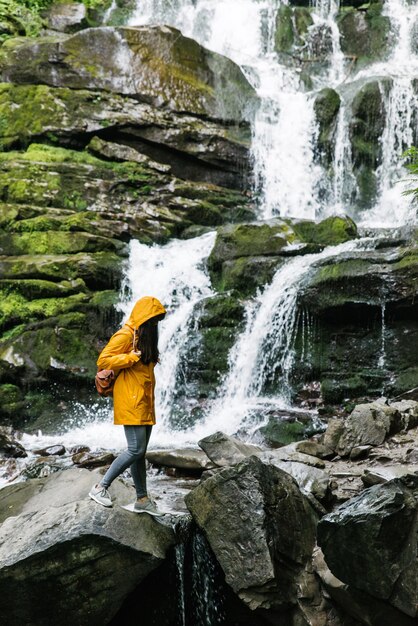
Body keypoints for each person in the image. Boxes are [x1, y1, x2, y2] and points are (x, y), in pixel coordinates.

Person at [89, 295, 166, 515]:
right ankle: (100, 487)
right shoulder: (126, 335)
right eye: (152, 321)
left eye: (157, 322)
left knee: (139, 453)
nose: (154, 325)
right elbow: (103, 360)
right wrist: (130, 358)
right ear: (143, 319)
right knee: (135, 449)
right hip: (130, 401)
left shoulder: (143, 340)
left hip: (144, 402)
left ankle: (142, 499)